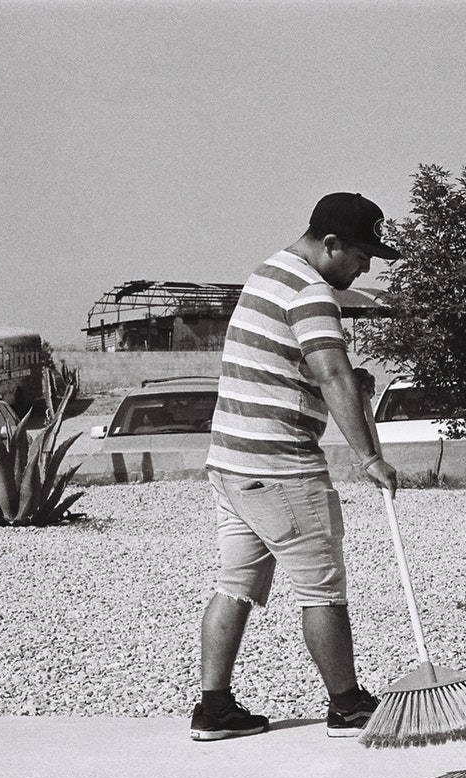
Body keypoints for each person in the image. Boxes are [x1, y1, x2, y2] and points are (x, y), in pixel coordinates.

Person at [191, 192, 400, 741]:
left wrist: (348, 384)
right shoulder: (311, 292)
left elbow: (296, 368)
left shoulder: (267, 273)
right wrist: (369, 457)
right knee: (322, 589)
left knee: (235, 582)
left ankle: (213, 710)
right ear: (329, 244)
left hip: (231, 462)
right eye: (360, 254)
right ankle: (349, 707)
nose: (366, 267)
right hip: (280, 465)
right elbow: (331, 374)